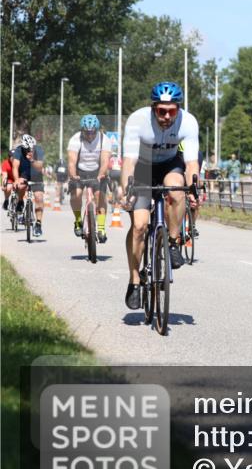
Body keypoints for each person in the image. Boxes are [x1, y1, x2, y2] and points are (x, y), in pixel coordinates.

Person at [120, 82, 200, 311]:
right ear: (153, 107)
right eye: (161, 111)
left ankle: (174, 242)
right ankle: (135, 280)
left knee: (177, 189)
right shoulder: (138, 120)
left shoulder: (189, 121)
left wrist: (194, 189)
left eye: (171, 111)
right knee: (139, 226)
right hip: (143, 168)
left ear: (178, 109)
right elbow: (129, 162)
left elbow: (192, 163)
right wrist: (127, 189)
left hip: (169, 165)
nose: (166, 116)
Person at [67, 114, 112, 242]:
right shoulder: (75, 139)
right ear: (82, 131)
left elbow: (104, 161)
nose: (90, 136)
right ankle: (78, 220)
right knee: (76, 194)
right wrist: (73, 176)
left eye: (93, 133)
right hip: (79, 170)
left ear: (97, 130)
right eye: (87, 133)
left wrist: (101, 174)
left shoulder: (104, 139)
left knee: (100, 196)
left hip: (97, 170)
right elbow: (71, 162)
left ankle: (101, 228)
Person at [11, 134, 46, 237]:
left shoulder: (39, 150)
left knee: (39, 197)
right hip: (24, 174)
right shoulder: (18, 151)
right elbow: (15, 167)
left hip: (36, 175)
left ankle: (38, 224)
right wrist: (16, 180)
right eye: (27, 149)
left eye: (31, 148)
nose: (29, 150)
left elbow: (40, 167)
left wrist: (32, 160)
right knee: (21, 186)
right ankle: (20, 201)